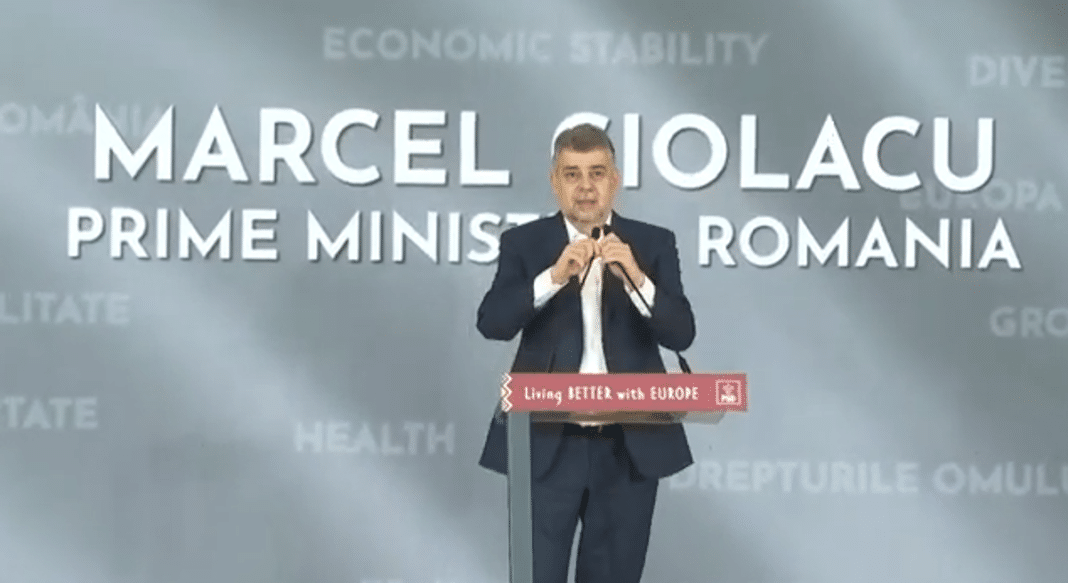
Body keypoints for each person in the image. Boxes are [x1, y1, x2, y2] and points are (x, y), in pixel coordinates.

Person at [476, 123, 697, 583]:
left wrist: (636, 276)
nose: (585, 186)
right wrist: (552, 278)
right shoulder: (525, 244)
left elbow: (681, 334)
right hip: (544, 444)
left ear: (615, 180)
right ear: (554, 182)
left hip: (628, 448)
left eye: (596, 173)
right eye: (571, 174)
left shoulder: (652, 243)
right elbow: (492, 323)